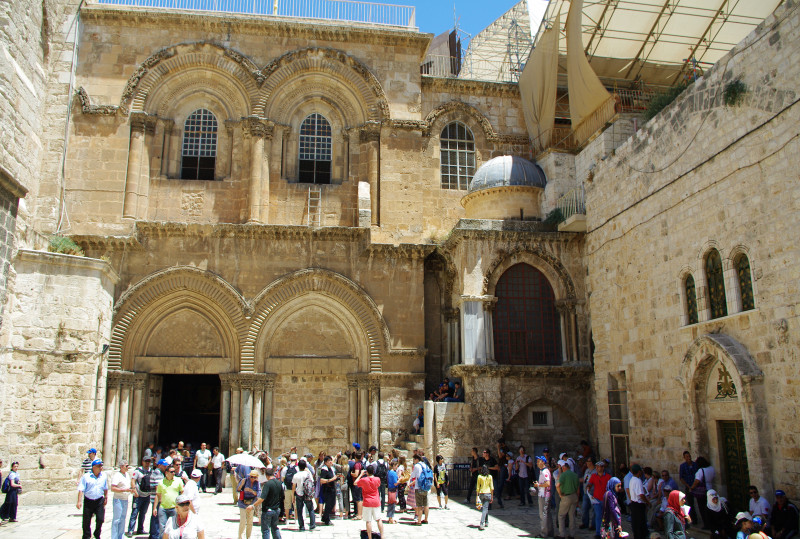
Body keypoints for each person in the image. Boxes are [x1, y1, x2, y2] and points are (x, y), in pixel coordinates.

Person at [77, 459, 109, 539]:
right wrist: (79, 501)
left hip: (99, 500)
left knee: (100, 519)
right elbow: (81, 489)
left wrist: (106, 497)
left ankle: (97, 534)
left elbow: (105, 487)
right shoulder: (86, 476)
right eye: (99, 466)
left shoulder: (104, 476)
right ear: (94, 467)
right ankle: (86, 536)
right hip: (89, 500)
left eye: (101, 466)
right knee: (86, 521)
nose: (101, 468)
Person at [250, 465, 281, 539]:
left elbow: (262, 498)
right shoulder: (279, 483)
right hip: (276, 510)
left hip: (267, 510)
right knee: (275, 528)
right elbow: (282, 496)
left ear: (266, 475)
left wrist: (253, 505)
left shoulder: (267, 484)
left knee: (266, 530)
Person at [154, 465, 183, 538]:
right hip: (163, 508)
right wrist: (154, 508)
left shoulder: (178, 481)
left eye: (174, 472)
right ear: (166, 473)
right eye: (172, 472)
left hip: (174, 508)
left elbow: (182, 494)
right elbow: (157, 496)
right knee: (163, 528)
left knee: (174, 527)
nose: (173, 473)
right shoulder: (161, 482)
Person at [128, 455, 154, 537]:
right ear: (142, 461)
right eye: (146, 461)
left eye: (149, 461)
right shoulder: (138, 471)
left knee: (143, 513)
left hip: (147, 496)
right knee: (134, 513)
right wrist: (134, 489)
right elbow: (133, 480)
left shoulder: (151, 471)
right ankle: (130, 530)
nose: (147, 463)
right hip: (138, 496)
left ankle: (140, 529)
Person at [355, 464, 384, 538]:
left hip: (367, 502)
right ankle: (383, 536)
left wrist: (361, 475)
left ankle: (370, 537)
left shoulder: (364, 480)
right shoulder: (377, 479)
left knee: (368, 521)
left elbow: (355, 482)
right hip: (376, 501)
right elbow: (378, 485)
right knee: (378, 519)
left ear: (366, 472)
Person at [557, 458, 580, 539]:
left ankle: (562, 534)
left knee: (561, 516)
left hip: (566, 496)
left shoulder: (563, 475)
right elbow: (578, 489)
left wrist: (560, 494)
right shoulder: (575, 475)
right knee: (572, 516)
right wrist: (577, 499)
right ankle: (572, 534)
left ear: (564, 467)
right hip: (574, 496)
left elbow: (557, 485)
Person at [589, 461, 613, 538]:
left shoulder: (608, 477)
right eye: (596, 467)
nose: (597, 468)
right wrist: (588, 487)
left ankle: (607, 531)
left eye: (598, 467)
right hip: (596, 499)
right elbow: (590, 483)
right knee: (598, 515)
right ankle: (598, 533)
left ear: (602, 468)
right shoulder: (593, 476)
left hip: (605, 499)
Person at [110, 460, 133, 539]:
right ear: (121, 466)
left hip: (125, 499)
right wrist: (124, 490)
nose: (128, 467)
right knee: (117, 519)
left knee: (123, 518)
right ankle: (114, 537)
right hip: (118, 499)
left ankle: (121, 535)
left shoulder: (126, 474)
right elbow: (113, 488)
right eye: (126, 466)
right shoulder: (117, 475)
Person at [691, 457, 715, 529]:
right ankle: (712, 523)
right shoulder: (711, 468)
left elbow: (697, 481)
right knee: (710, 507)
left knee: (703, 508)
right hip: (711, 490)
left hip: (703, 492)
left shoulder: (701, 471)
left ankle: (706, 524)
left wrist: (691, 488)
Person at [292, 459, 316, 531]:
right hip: (307, 493)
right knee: (310, 509)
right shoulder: (308, 474)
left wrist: (293, 497)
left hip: (299, 493)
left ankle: (301, 526)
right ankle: (312, 525)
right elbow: (312, 482)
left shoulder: (296, 475)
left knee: (299, 510)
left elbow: (293, 486)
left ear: (298, 466)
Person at [238, 469, 261, 539]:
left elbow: (259, 494)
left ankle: (248, 537)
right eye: (251, 477)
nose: (253, 478)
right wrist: (241, 484)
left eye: (254, 477)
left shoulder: (257, 483)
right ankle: (240, 536)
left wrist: (252, 491)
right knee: (243, 520)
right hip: (243, 503)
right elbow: (238, 489)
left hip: (251, 503)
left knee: (250, 521)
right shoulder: (244, 480)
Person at [534, 456, 553, 538]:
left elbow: (548, 483)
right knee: (547, 513)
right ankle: (549, 531)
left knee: (543, 514)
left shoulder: (545, 471)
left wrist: (539, 485)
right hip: (543, 494)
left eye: (539, 461)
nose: (537, 463)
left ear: (543, 462)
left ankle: (544, 533)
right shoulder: (542, 471)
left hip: (544, 495)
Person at [411, 453, 430, 525]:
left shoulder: (417, 466)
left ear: (416, 459)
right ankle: (425, 519)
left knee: (419, 505)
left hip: (418, 487)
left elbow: (413, 475)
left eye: (414, 459)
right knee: (426, 504)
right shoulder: (425, 465)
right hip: (425, 487)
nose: (414, 461)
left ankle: (419, 521)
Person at [318, 455, 338, 525]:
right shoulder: (324, 470)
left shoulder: (331, 469)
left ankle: (325, 516)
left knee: (332, 503)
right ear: (326, 462)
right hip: (327, 489)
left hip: (332, 488)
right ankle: (326, 518)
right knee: (329, 503)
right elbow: (321, 480)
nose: (331, 462)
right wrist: (331, 479)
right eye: (329, 461)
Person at [476, 464, 494, 530]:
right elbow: (492, 487)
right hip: (488, 493)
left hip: (481, 493)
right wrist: (492, 496)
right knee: (485, 508)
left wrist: (477, 496)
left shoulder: (479, 477)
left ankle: (486, 521)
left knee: (485, 508)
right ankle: (482, 523)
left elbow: (478, 487)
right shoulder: (490, 477)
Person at [581, 459, 596, 530]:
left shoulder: (595, 472)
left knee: (594, 509)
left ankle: (593, 524)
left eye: (588, 461)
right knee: (584, 509)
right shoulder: (587, 470)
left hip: (592, 493)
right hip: (585, 492)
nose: (586, 462)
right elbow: (585, 480)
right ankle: (585, 523)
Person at [386, 459, 399, 524]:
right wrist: (400, 480)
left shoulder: (389, 472)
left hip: (390, 488)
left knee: (390, 503)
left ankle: (390, 518)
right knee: (392, 504)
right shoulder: (393, 473)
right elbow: (395, 483)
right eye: (396, 466)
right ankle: (391, 518)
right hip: (393, 489)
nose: (397, 467)